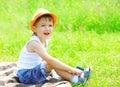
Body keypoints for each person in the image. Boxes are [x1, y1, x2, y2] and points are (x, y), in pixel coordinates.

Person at [17, 8, 91, 85]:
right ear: (34, 29)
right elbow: (50, 61)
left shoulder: (44, 40)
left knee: (53, 63)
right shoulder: (34, 43)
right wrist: (72, 69)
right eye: (43, 25)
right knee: (51, 62)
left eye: (50, 25)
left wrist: (50, 69)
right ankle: (76, 78)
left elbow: (42, 59)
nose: (47, 29)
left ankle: (76, 77)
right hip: (26, 76)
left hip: (34, 72)